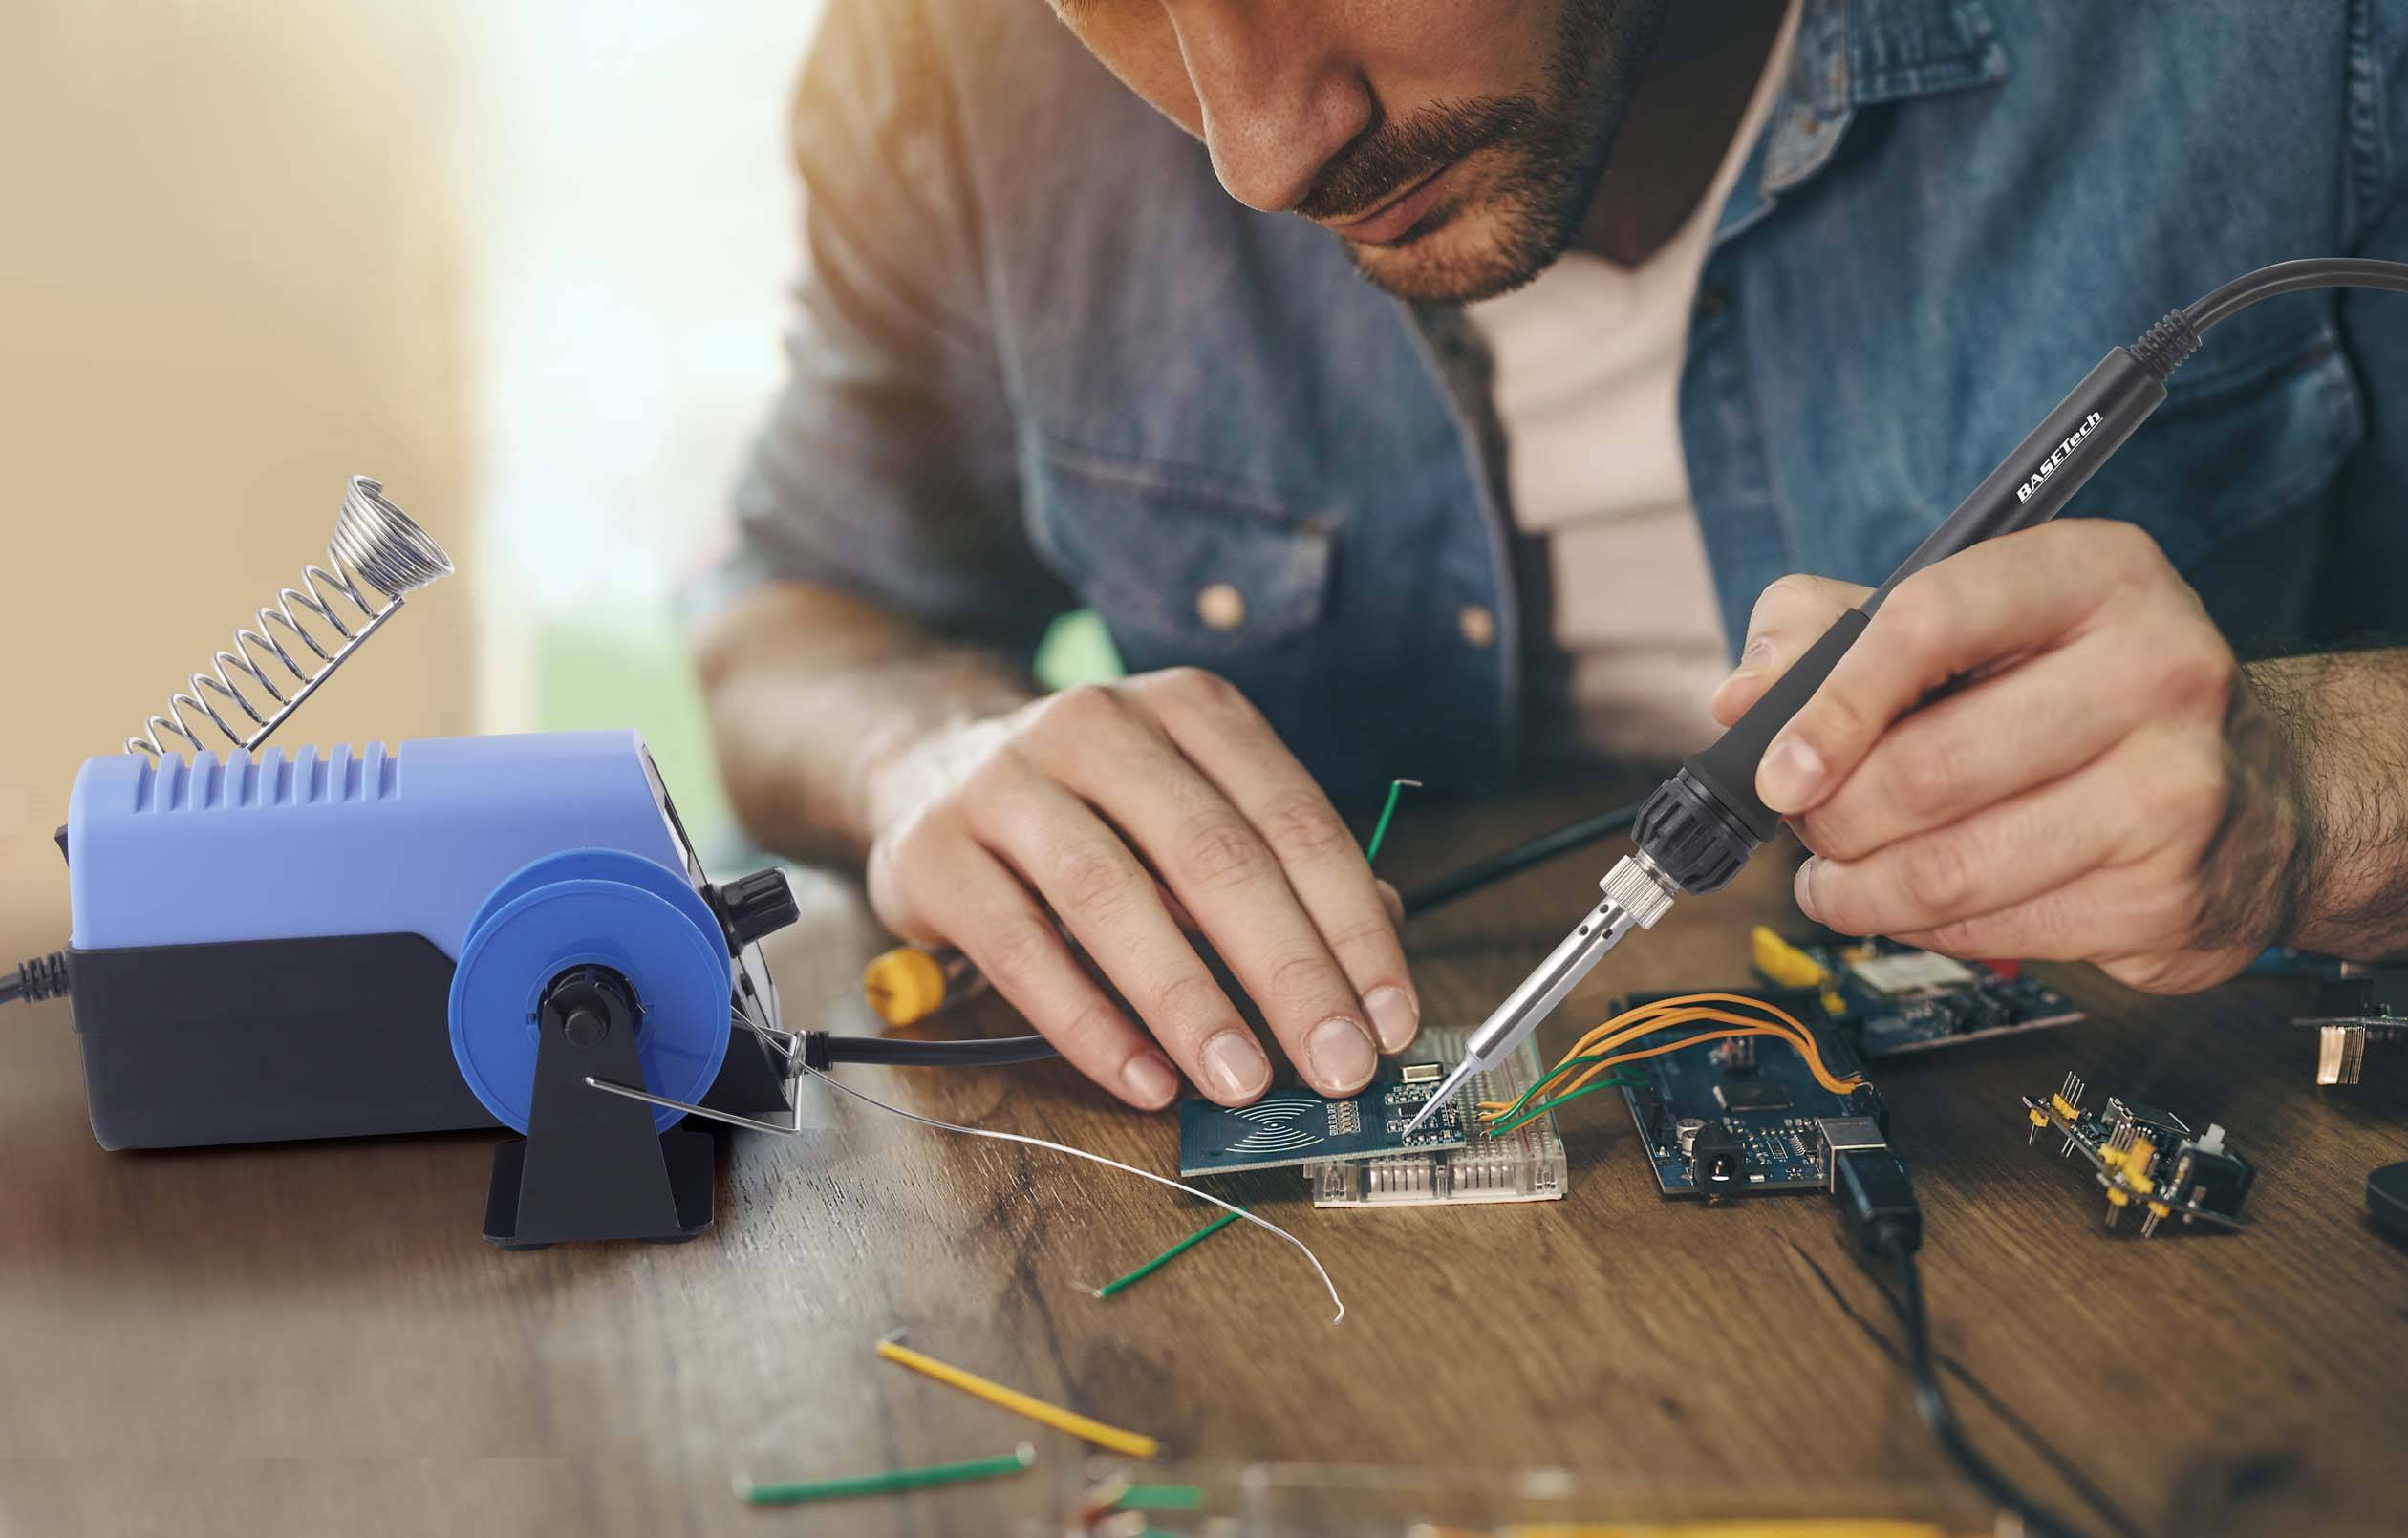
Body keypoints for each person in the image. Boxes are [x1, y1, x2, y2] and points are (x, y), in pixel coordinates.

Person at [688, 0, 2408, 1113]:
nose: (1261, 149)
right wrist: (929, 748)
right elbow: (796, 613)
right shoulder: (946, 58)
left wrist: (2323, 792)